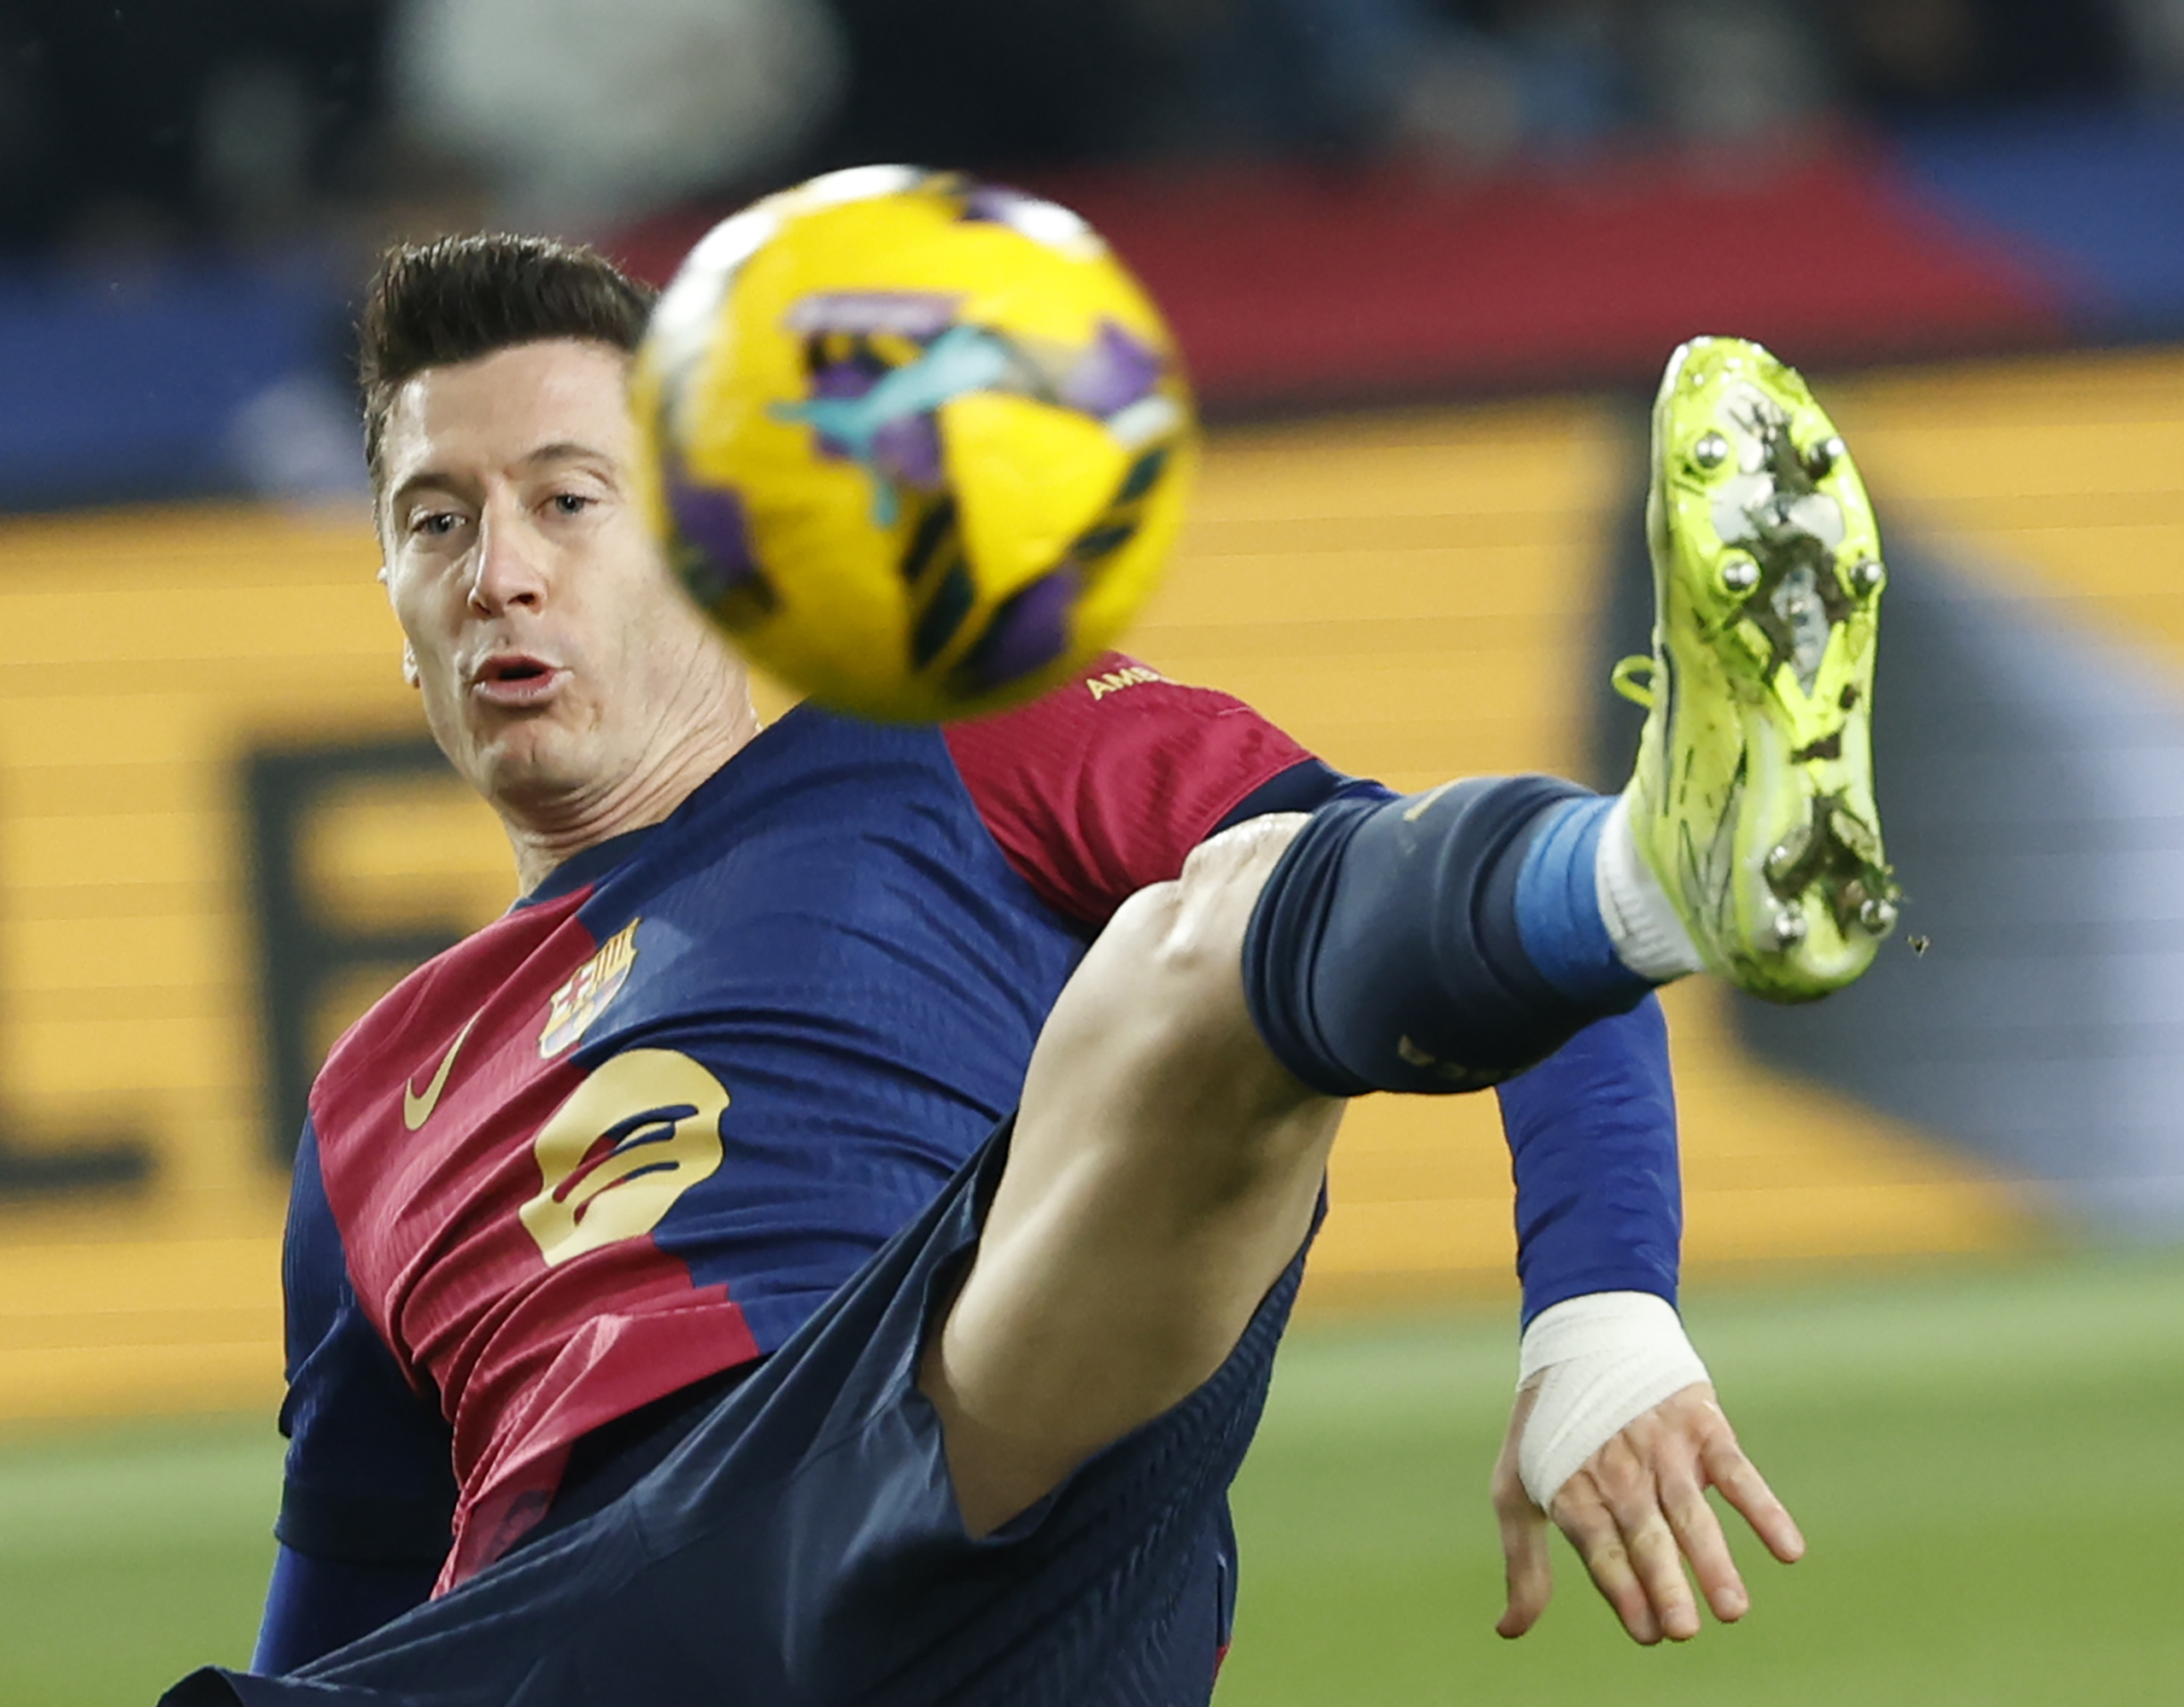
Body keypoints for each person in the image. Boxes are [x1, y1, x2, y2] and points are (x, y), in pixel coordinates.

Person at [163, 231, 1893, 1705]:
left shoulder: (942, 739)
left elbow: (1391, 890)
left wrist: (1602, 1309)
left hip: (941, 1469)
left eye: (565, 499)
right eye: (438, 521)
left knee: (1209, 933)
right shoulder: (370, 1106)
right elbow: (346, 1630)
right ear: (388, 595)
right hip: (573, 1630)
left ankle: (1663, 868)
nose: (502, 573)